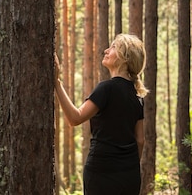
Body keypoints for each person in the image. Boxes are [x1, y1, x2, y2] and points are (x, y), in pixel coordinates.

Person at [54, 33, 148, 195]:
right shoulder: (137, 97)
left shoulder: (106, 88)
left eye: (113, 47)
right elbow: (140, 140)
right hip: (129, 176)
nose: (106, 50)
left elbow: (75, 118)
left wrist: (56, 82)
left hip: (101, 171)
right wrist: (128, 165)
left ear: (124, 57)